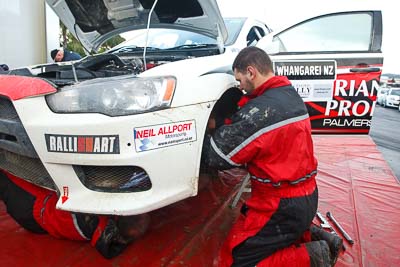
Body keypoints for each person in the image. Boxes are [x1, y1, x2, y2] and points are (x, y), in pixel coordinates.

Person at [203, 47, 343, 266]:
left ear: (251, 72)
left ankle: (314, 256)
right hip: (308, 195)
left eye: (239, 80)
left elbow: (216, 156)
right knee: (279, 233)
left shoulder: (262, 110)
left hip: (281, 204)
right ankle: (318, 235)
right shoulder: (288, 94)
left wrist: (213, 127)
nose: (239, 86)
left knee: (238, 259)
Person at [0, 170, 149, 259]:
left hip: (32, 206)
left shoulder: (93, 219)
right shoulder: (102, 229)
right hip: (34, 218)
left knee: (6, 172)